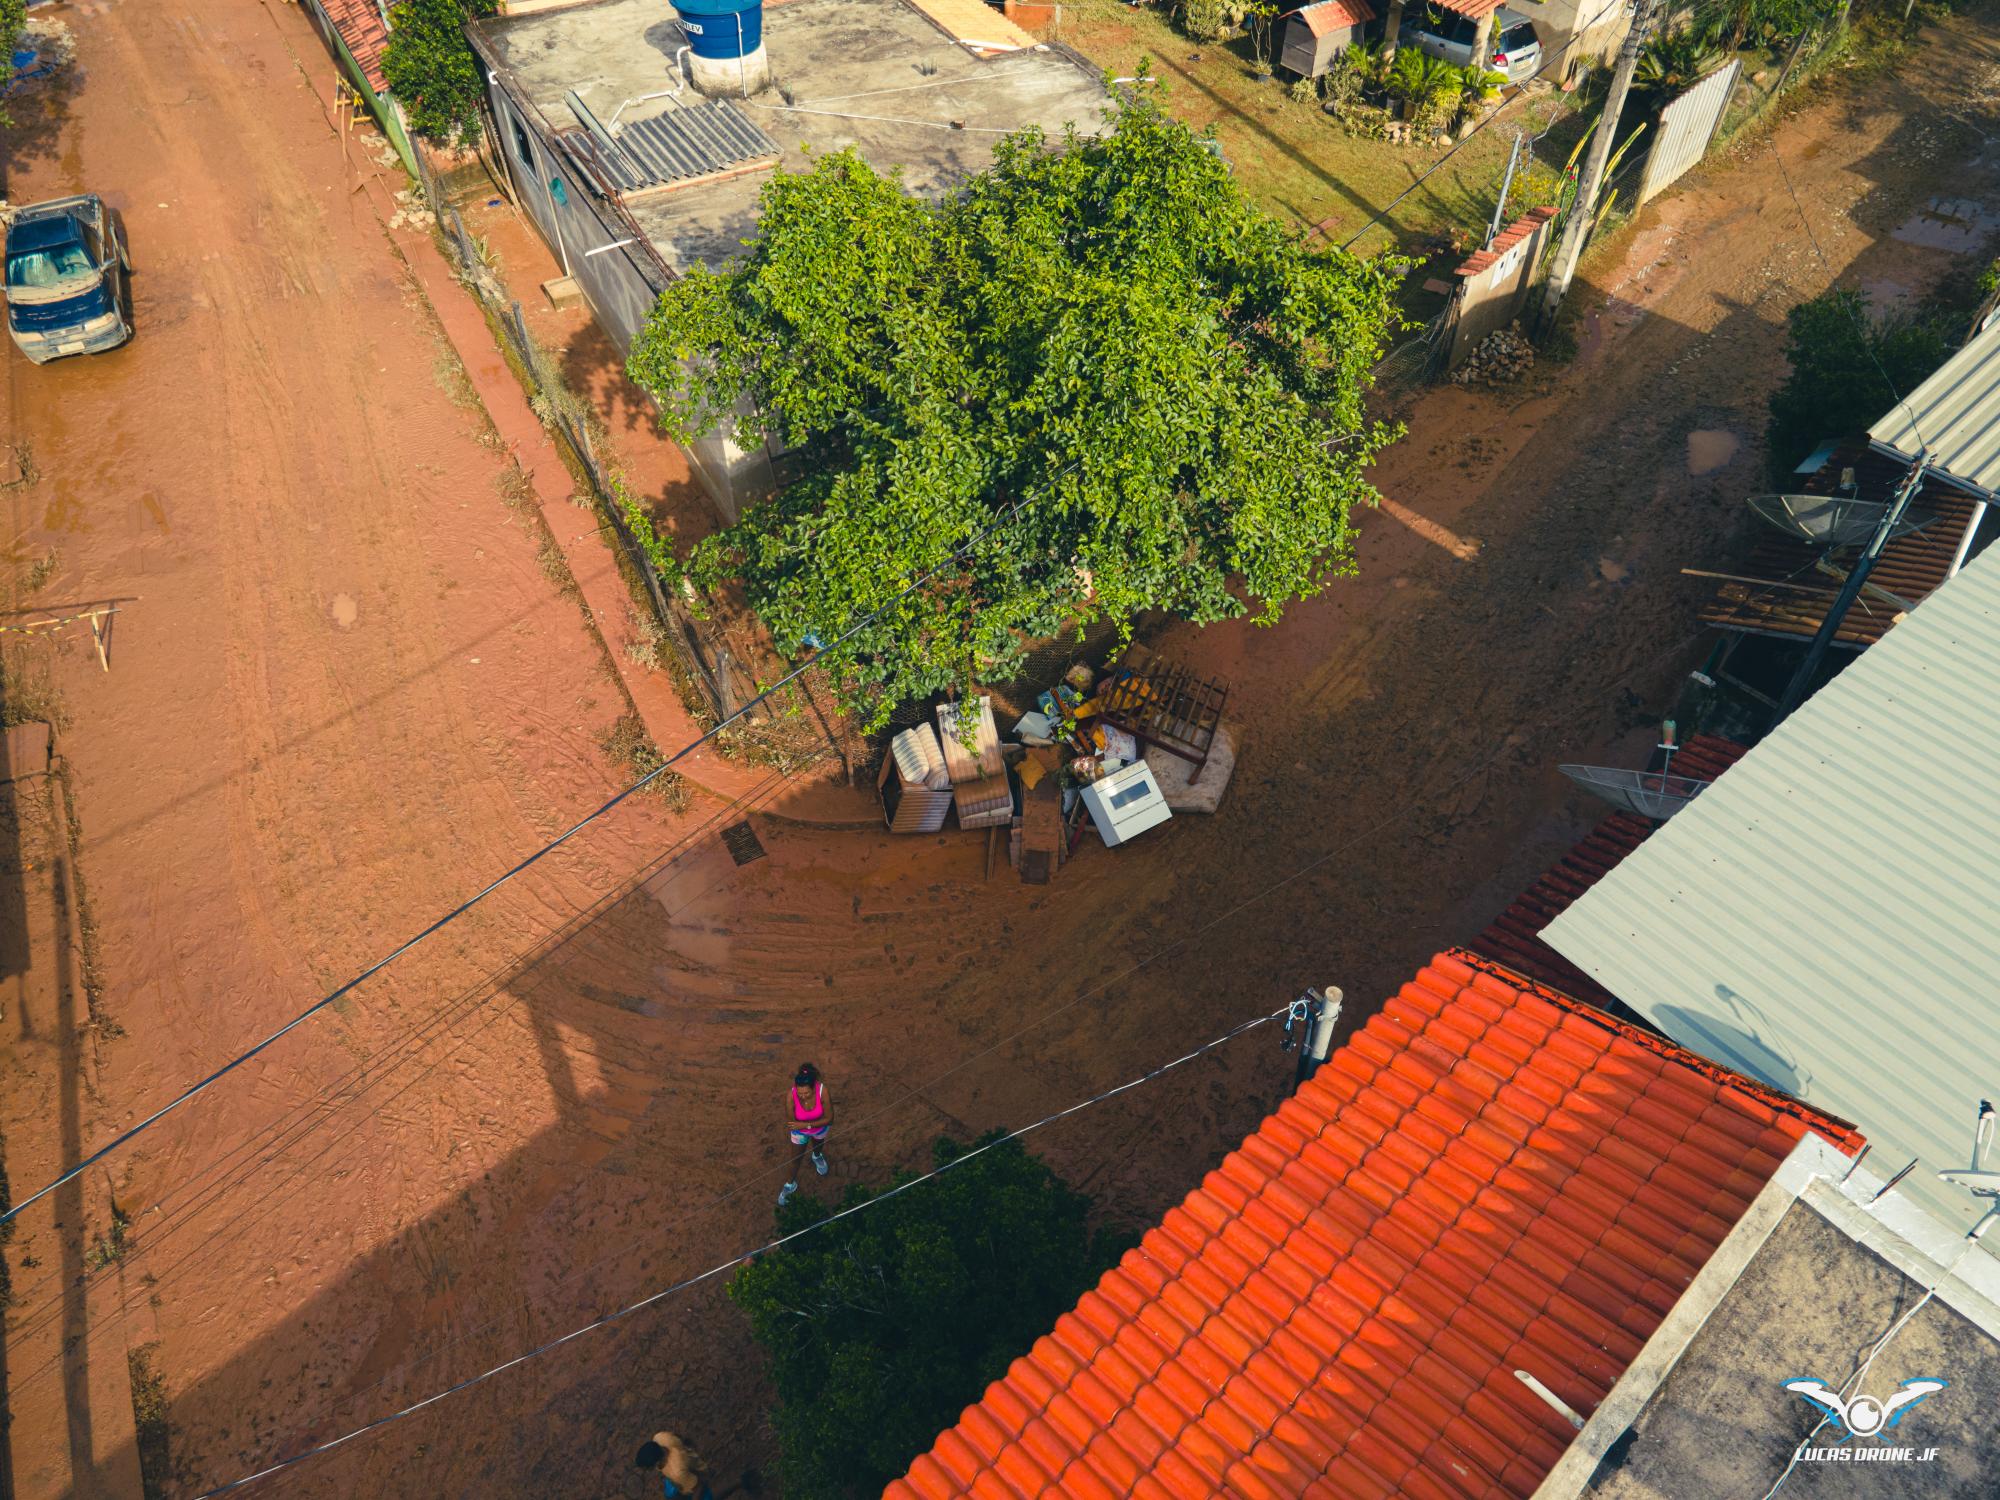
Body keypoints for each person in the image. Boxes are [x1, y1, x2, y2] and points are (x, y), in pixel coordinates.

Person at [777, 1062, 830, 1207]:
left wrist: (806, 1124)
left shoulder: (822, 1091)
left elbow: (830, 1119)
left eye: (807, 1093)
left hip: (818, 1129)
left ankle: (817, 1157)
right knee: (795, 1160)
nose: (804, 1097)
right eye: (800, 1093)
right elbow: (792, 1123)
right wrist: (808, 1125)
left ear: (814, 1088)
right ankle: (789, 1185)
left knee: (818, 1147)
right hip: (801, 1132)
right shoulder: (790, 1096)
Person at [634, 1430, 712, 1500]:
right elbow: (679, 1436)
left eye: (647, 1468)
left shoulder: (677, 1473)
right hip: (684, 1471)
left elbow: (699, 1486)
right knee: (670, 1494)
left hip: (694, 1479)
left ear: (657, 1462)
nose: (645, 1471)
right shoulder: (660, 1438)